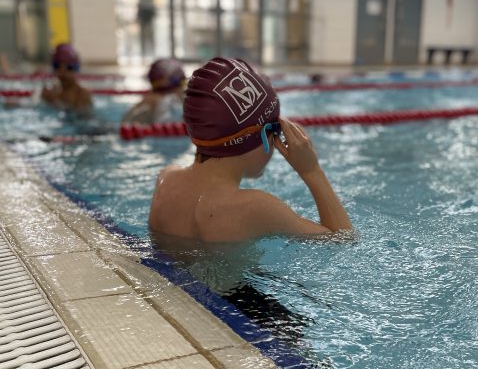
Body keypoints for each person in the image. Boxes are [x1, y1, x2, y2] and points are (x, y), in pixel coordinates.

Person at [149, 57, 352, 243]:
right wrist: (311, 171)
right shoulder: (254, 207)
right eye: (275, 130)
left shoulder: (165, 180)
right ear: (256, 136)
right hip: (234, 284)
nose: (275, 141)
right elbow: (344, 240)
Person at [121, 58, 186, 126]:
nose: (183, 88)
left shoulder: (146, 99)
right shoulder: (165, 101)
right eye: (183, 82)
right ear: (175, 82)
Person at [41, 43, 92, 115]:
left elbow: (82, 118)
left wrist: (54, 102)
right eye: (58, 67)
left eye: (68, 68)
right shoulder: (54, 90)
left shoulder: (82, 95)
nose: (62, 73)